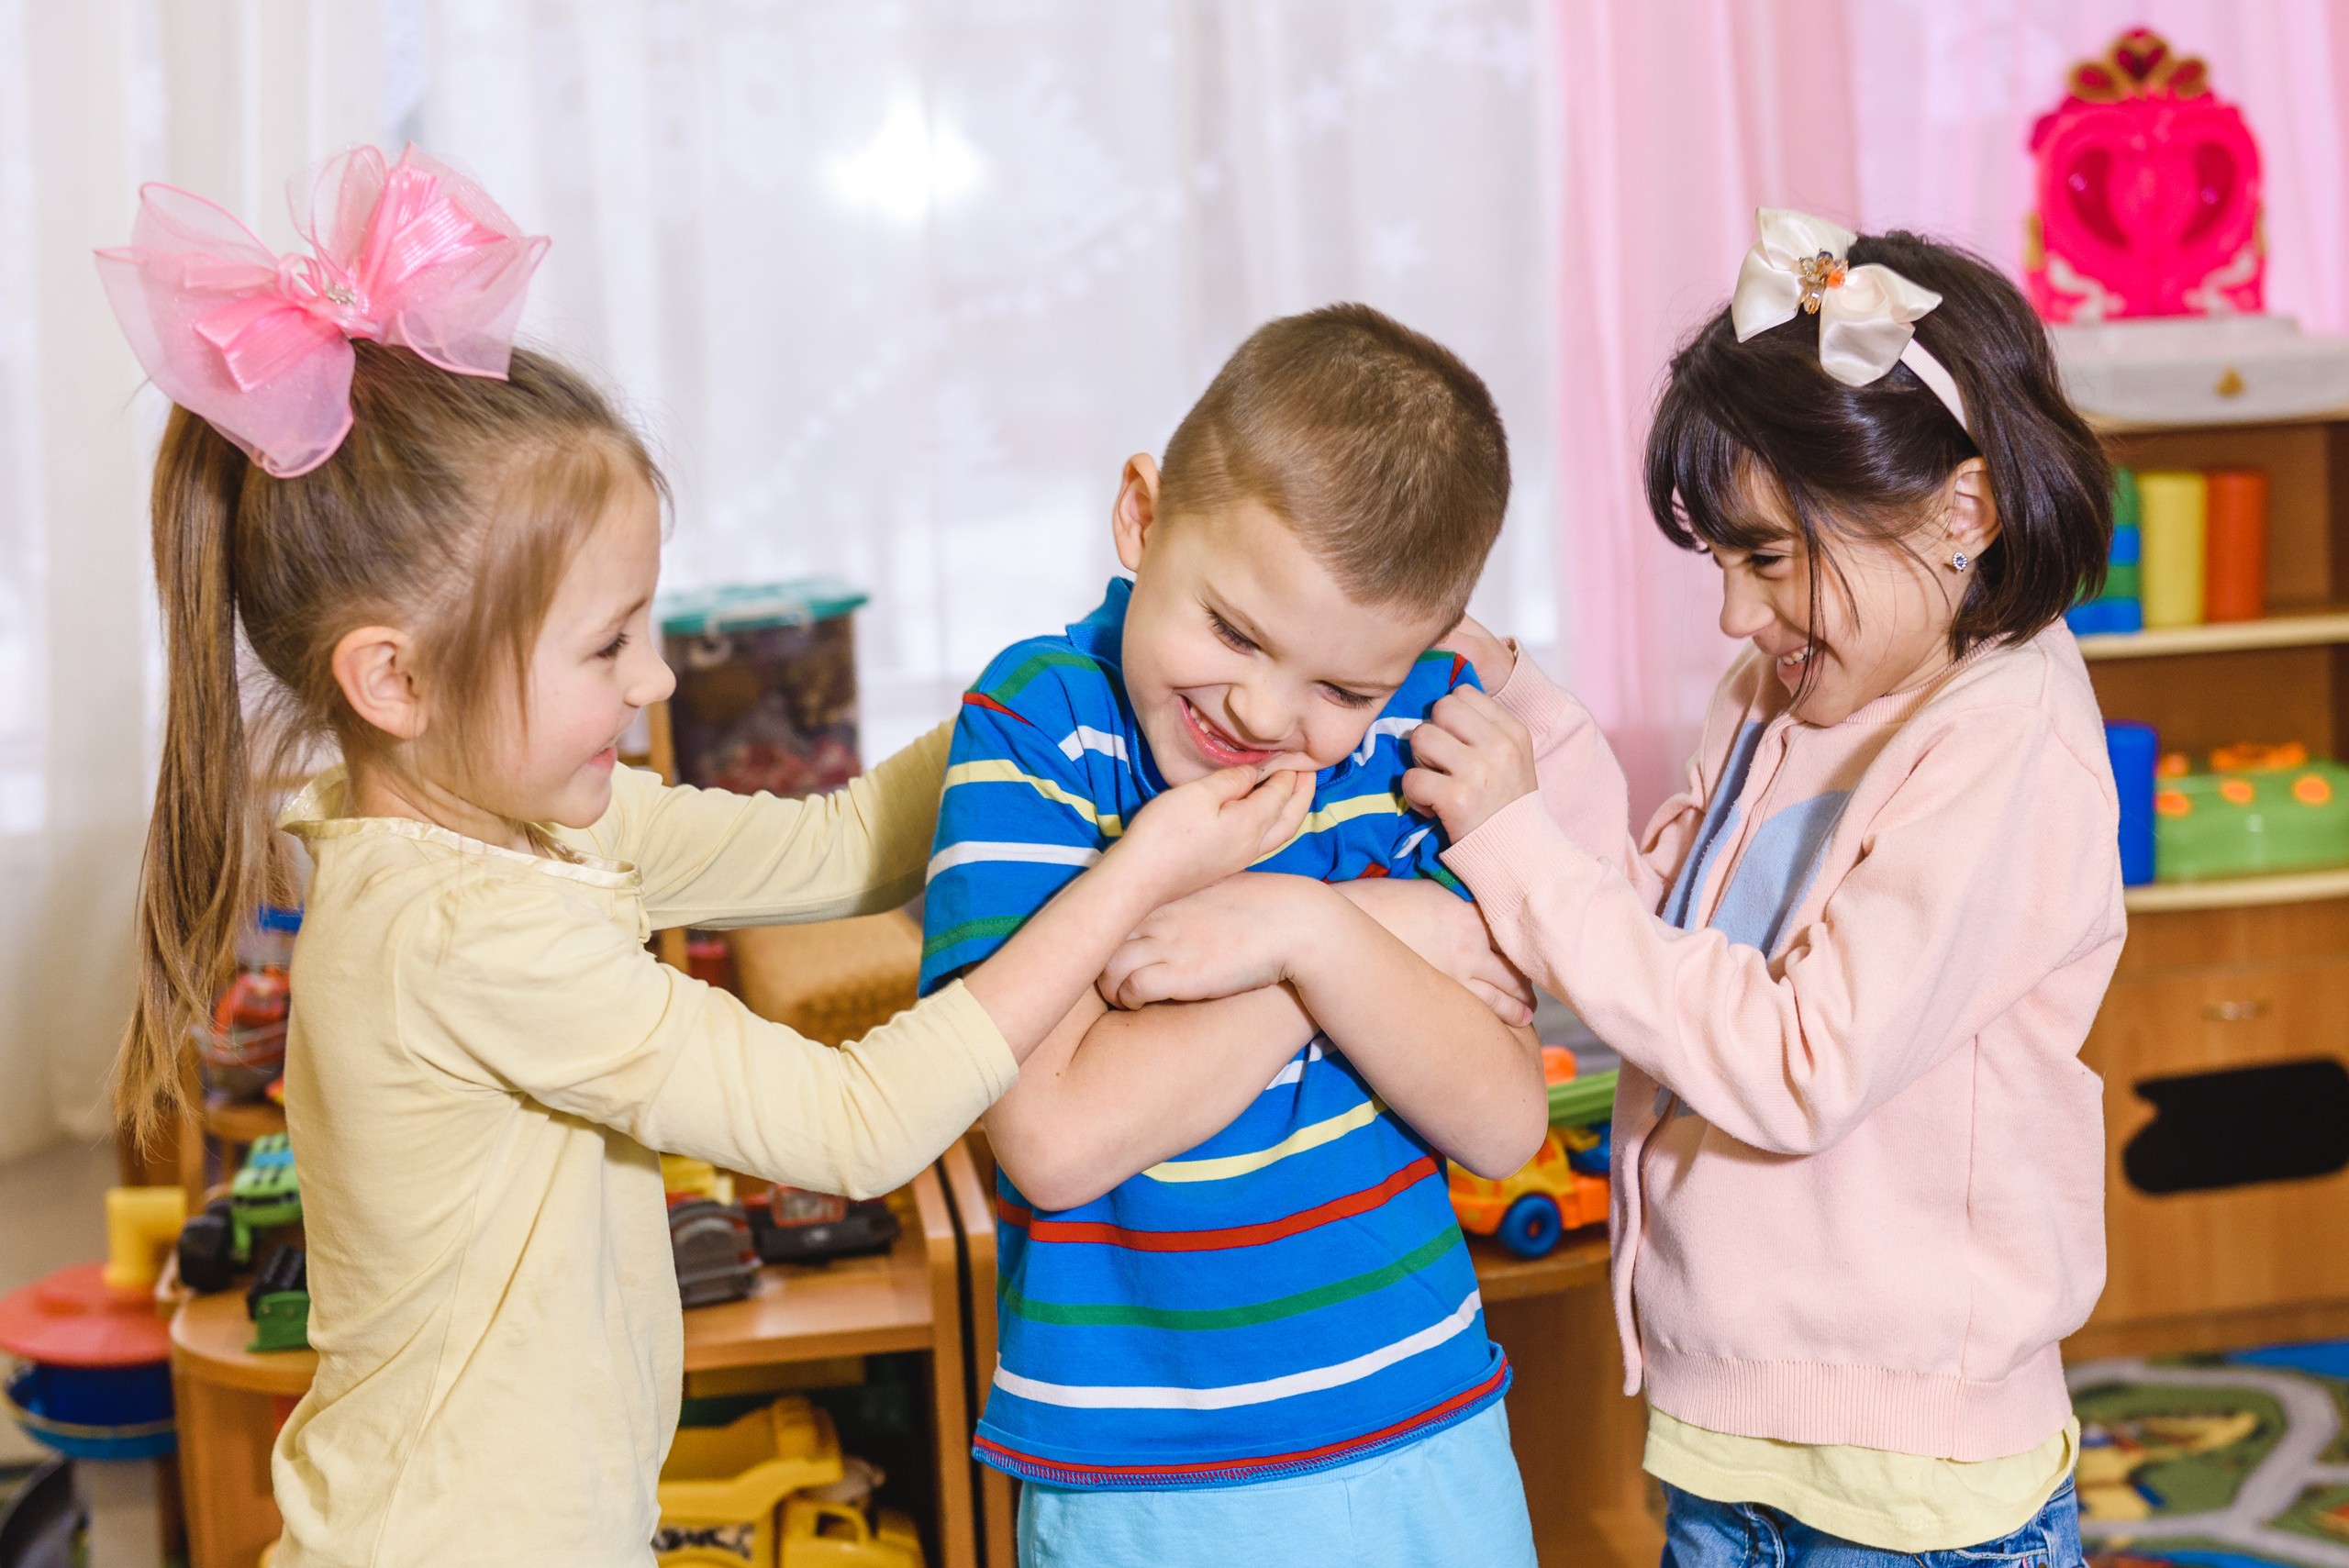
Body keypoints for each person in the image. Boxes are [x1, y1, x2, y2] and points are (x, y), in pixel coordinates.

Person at [101, 146, 1310, 1568]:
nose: (658, 679)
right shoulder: (460, 934)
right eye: (609, 643)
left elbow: (848, 844)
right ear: (395, 680)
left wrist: (1090, 666)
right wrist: (1139, 869)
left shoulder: (530, 822)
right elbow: (856, 1121)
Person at [1116, 209, 2118, 1568]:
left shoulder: (2009, 739)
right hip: (1732, 1439)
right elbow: (1645, 929)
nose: (1733, 614)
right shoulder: (1781, 694)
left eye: (1768, 556)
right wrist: (1515, 695)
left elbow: (1798, 1061)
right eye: (1719, 559)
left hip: (1912, 1486)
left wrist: (1512, 845)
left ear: (1963, 507)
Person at [920, 305, 1560, 1567]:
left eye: (1344, 688)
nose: (1265, 712)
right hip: (1147, 1490)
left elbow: (1503, 1121)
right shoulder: (1040, 726)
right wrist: (1349, 939)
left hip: (1427, 1439)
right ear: (1143, 519)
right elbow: (1054, 1138)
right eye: (1235, 632)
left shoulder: (1425, 732)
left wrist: (1299, 926)